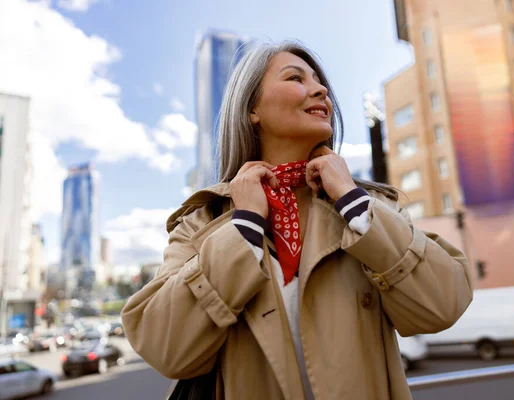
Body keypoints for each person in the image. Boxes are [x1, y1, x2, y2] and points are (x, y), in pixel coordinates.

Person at [121, 41, 473, 400]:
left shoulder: (370, 207)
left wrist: (353, 202)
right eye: (295, 78)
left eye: (320, 83)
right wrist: (243, 228)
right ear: (251, 109)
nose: (321, 89)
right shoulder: (202, 221)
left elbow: (442, 306)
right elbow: (164, 348)